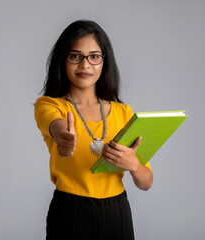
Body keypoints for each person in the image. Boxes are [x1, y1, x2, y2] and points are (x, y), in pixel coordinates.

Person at [34, 19, 153, 240]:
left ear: (104, 61)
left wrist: (134, 166)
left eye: (94, 56)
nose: (85, 65)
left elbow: (146, 182)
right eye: (75, 56)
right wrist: (63, 136)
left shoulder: (124, 112)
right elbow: (55, 124)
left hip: (117, 212)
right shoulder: (51, 105)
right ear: (63, 59)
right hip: (70, 211)